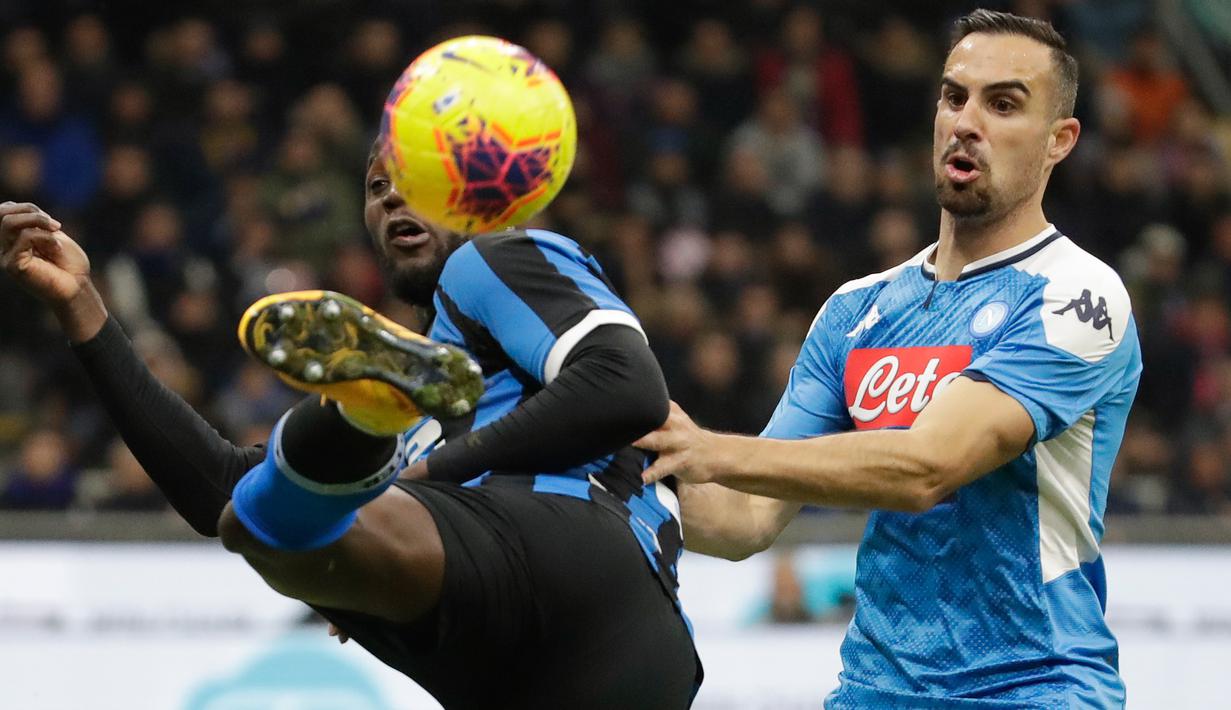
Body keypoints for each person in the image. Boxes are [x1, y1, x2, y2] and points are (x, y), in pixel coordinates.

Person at [0, 144, 700, 706]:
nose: (390, 194)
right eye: (374, 186)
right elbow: (210, 486)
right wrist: (82, 307)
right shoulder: (437, 375)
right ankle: (355, 454)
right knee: (252, 518)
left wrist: (426, 478)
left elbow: (625, 385)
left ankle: (359, 419)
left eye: (412, 177)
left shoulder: (494, 258)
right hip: (601, 671)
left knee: (283, 521)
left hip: (571, 551)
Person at [638, 10, 1139, 709]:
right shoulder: (855, 309)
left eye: (1002, 104)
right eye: (952, 96)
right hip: (873, 691)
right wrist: (614, 457)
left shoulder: (1078, 295)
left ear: (1060, 140)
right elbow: (740, 520)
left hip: (1035, 687)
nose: (965, 121)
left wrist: (709, 450)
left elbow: (926, 467)